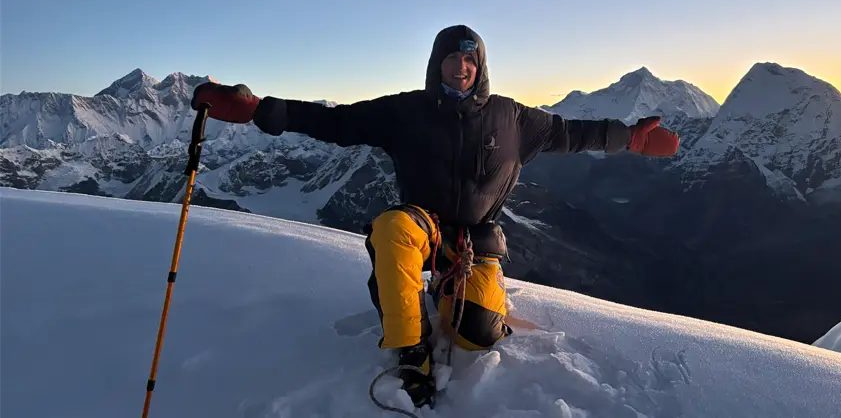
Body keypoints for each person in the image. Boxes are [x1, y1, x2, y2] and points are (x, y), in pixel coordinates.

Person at [191, 24, 680, 408]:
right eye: (452, 58)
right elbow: (334, 121)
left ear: (480, 66)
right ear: (437, 65)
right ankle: (411, 354)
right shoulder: (406, 111)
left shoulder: (514, 119)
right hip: (421, 227)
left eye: (470, 59)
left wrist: (631, 138)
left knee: (477, 336)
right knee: (392, 228)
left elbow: (575, 133)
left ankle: (451, 299)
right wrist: (259, 111)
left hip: (476, 242)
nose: (461, 68)